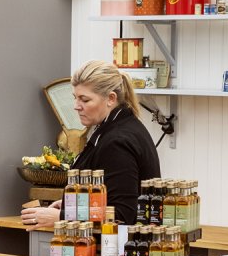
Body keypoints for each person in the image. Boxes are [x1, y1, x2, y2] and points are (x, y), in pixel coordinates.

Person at [21, 59, 163, 228]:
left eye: (85, 100)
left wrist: (62, 216)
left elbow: (123, 215)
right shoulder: (119, 127)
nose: (76, 106)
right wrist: (74, 205)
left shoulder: (117, 142)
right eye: (75, 98)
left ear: (111, 98)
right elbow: (110, 196)